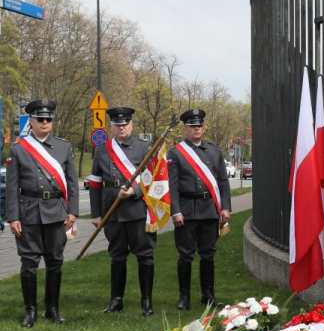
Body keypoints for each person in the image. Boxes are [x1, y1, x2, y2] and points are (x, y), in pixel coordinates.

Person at [5, 99, 78, 327]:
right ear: (32, 122)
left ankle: (52, 309)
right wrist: (13, 217)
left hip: (56, 212)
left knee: (55, 261)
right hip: (28, 213)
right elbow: (12, 187)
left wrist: (73, 211)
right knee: (29, 263)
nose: (45, 122)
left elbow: (72, 182)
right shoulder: (18, 149)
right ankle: (31, 311)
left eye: (48, 119)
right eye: (40, 119)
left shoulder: (64, 146)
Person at [89, 106, 156, 316]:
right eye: (118, 124)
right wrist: (96, 214)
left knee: (144, 256)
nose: (122, 128)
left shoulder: (144, 147)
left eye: (125, 123)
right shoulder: (102, 150)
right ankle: (116, 301)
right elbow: (95, 183)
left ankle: (146, 302)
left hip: (137, 209)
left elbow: (152, 178)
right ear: (112, 126)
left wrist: (135, 191)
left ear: (131, 124)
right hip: (113, 210)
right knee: (117, 256)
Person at [168, 108, 231, 310]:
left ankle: (208, 295)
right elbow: (173, 185)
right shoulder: (176, 153)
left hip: (209, 210)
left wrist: (225, 208)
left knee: (208, 254)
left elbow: (223, 182)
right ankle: (184, 297)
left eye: (199, 126)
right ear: (185, 129)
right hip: (186, 211)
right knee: (185, 255)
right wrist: (175, 211)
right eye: (192, 126)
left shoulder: (214, 151)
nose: (197, 129)